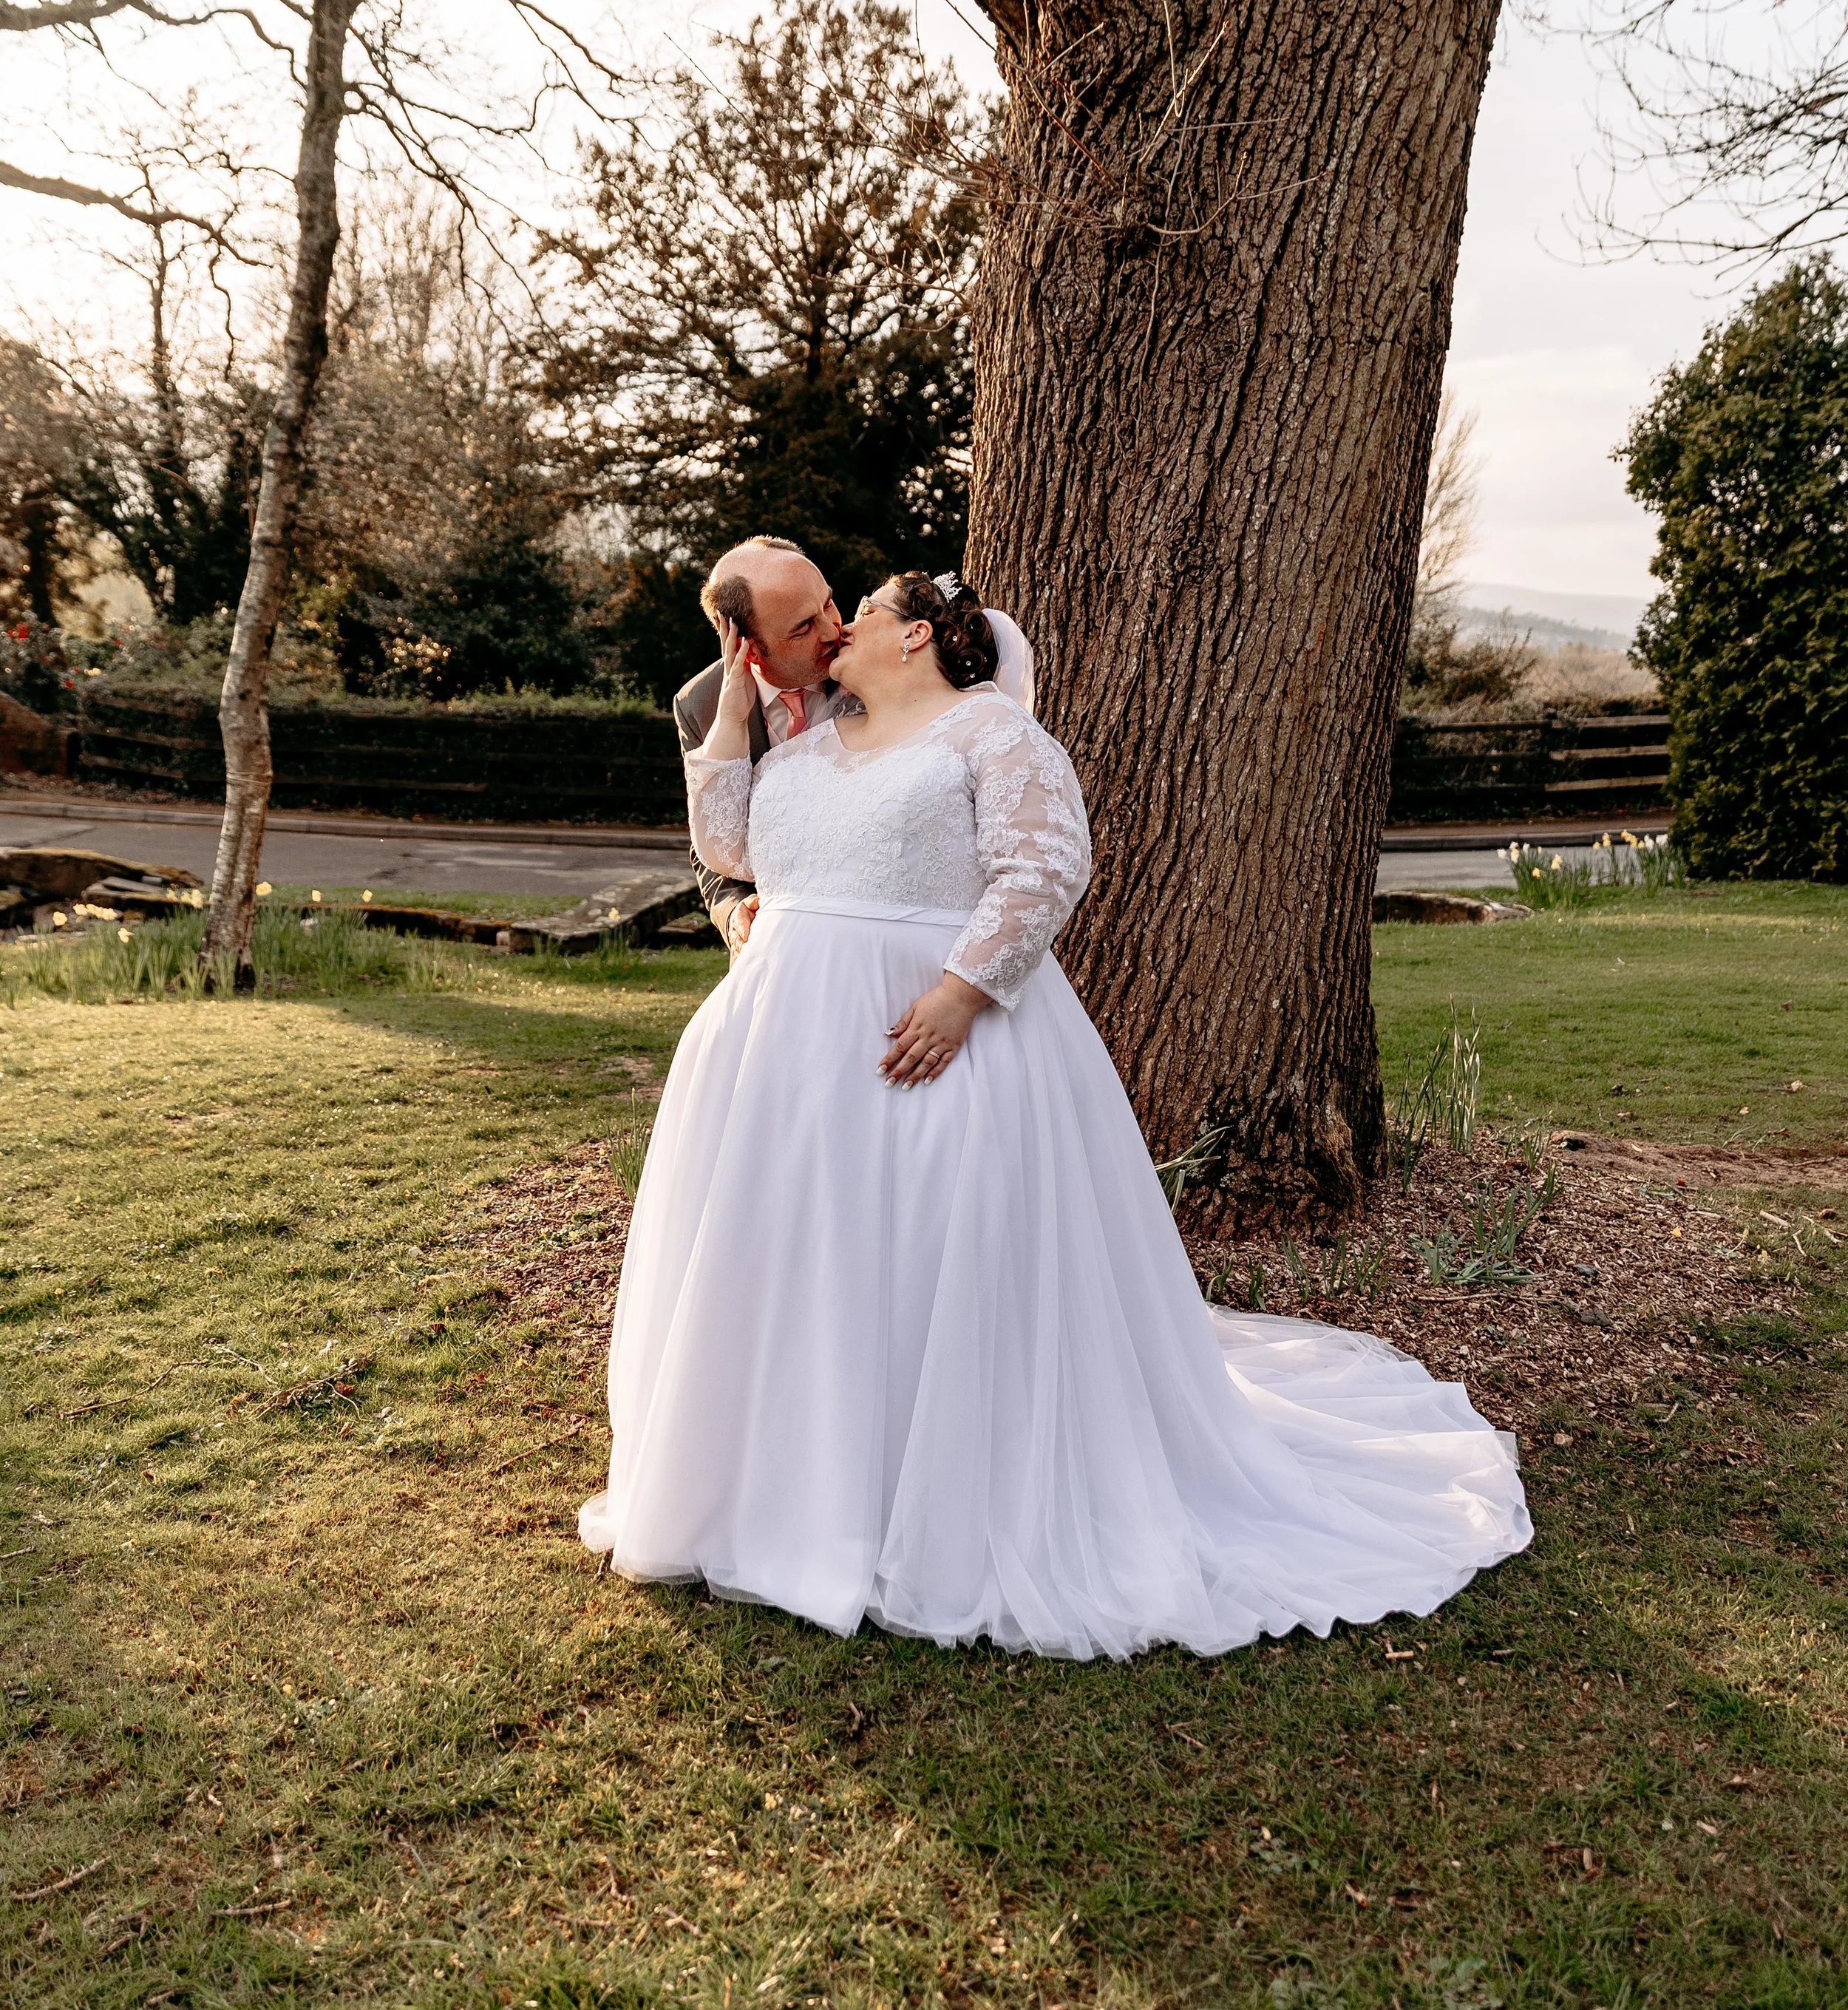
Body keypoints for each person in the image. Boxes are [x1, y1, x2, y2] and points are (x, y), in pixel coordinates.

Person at [582, 572, 1531, 1660]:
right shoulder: (798, 751)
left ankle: (934, 1498)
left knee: (938, 1253)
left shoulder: (994, 733)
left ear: (920, 637)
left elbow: (1044, 867)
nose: (843, 631)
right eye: (817, 623)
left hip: (940, 1038)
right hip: (783, 1057)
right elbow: (732, 849)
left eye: (864, 615)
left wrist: (959, 992)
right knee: (810, 1259)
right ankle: (790, 1482)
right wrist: (742, 713)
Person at [672, 537, 846, 960]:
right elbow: (711, 834)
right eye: (803, 627)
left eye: (828, 604)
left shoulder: (873, 664)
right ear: (745, 645)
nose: (832, 630)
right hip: (774, 942)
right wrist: (732, 911)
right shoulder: (700, 703)